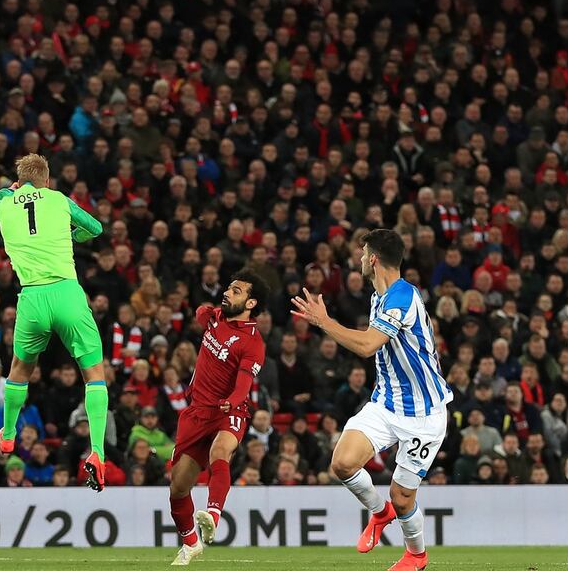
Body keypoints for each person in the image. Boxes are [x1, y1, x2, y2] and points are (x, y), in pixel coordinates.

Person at [291, 229, 452, 571]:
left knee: (403, 495)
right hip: (386, 403)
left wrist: (324, 322)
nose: (361, 259)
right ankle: (380, 514)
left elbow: (367, 345)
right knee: (343, 464)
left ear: (374, 259)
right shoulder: (378, 297)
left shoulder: (402, 296)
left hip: (424, 413)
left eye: (364, 253)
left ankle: (416, 556)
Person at [0, 154, 109, 491]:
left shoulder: (5, 206)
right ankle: (97, 451)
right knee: (94, 375)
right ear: (47, 178)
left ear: (20, 180)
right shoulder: (59, 200)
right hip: (67, 293)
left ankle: (8, 434)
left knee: (20, 371)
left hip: (32, 297)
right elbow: (95, 229)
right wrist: (73, 235)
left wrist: (7, 192)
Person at [169, 269, 269, 565]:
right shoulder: (215, 318)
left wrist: (232, 401)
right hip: (197, 413)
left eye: (236, 291)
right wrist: (207, 312)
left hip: (229, 410)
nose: (227, 292)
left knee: (220, 450)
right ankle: (190, 543)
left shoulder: (253, 342)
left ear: (251, 304)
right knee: (177, 487)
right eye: (229, 288)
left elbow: (243, 385)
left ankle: (213, 514)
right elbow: (201, 312)